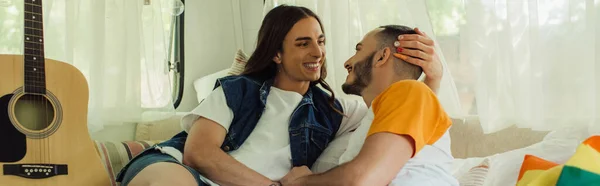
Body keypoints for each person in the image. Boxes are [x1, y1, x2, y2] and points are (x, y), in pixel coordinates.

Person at [115, 5, 442, 186]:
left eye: (321, 40)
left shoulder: (334, 108)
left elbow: (401, 108)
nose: (319, 52)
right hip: (181, 170)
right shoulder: (238, 90)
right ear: (276, 54)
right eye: (303, 43)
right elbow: (197, 154)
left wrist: (432, 76)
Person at [280, 25, 458, 186]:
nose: (347, 63)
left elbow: (361, 180)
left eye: (358, 50)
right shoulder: (377, 117)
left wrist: (302, 182)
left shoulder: (410, 91)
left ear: (382, 56)